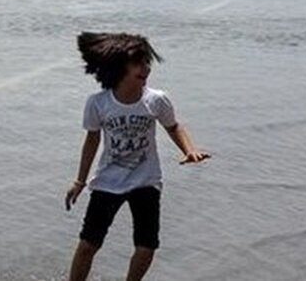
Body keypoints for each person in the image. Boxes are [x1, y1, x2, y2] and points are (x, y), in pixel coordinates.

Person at [64, 32, 209, 281]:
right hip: (108, 181)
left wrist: (189, 150)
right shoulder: (99, 103)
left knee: (147, 246)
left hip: (146, 180)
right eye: (138, 63)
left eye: (147, 63)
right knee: (89, 244)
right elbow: (92, 140)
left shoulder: (156, 100)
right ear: (120, 67)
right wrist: (79, 181)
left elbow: (173, 126)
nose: (145, 69)